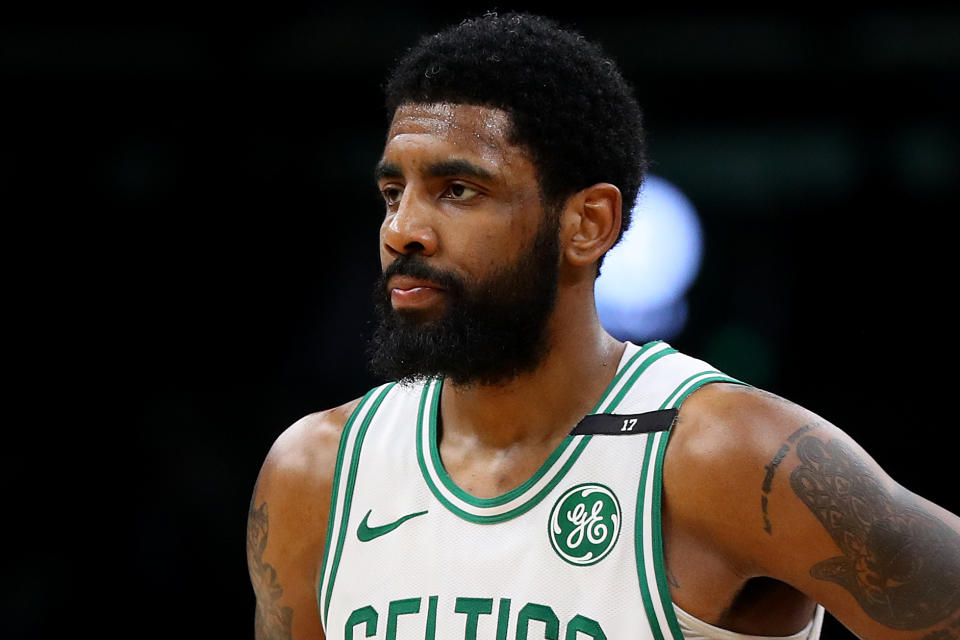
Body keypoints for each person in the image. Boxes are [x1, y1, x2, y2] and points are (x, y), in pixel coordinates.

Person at [247, 12, 960, 640]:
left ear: (587, 224)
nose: (402, 230)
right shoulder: (318, 472)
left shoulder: (723, 454)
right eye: (393, 192)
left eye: (457, 190)